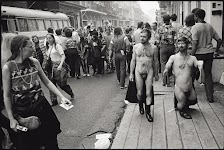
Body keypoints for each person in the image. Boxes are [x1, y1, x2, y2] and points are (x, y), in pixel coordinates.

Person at [2, 35, 72, 149]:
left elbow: (47, 82)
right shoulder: (8, 68)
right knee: (30, 144)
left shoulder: (34, 62)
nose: (34, 49)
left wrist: (61, 96)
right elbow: (7, 96)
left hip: (42, 107)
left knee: (51, 140)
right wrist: (11, 119)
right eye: (30, 46)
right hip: (23, 113)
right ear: (21, 48)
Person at [191, 9, 222, 103]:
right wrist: (216, 50)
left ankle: (190, 95)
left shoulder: (195, 27)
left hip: (198, 54)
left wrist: (192, 55)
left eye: (194, 16)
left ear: (196, 16)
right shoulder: (209, 26)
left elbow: (195, 43)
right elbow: (219, 40)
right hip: (209, 53)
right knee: (208, 74)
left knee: (192, 74)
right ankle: (210, 97)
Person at [163, 37, 199, 119]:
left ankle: (182, 103)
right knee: (181, 103)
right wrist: (166, 69)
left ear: (187, 45)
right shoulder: (174, 57)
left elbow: (197, 65)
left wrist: (199, 66)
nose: (180, 45)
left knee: (193, 99)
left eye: (182, 43)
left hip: (189, 85)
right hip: (179, 85)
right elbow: (168, 64)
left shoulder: (192, 58)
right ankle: (182, 110)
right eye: (179, 44)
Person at [129, 28, 159, 122]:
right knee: (139, 93)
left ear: (149, 37)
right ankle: (140, 105)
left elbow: (156, 61)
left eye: (144, 37)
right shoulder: (136, 47)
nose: (142, 38)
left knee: (148, 92)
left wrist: (156, 73)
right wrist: (131, 73)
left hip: (149, 70)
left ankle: (148, 112)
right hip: (138, 71)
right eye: (141, 36)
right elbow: (133, 60)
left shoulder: (154, 48)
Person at [45, 33, 74, 106]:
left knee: (62, 83)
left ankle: (70, 92)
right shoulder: (48, 47)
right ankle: (54, 101)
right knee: (51, 83)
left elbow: (63, 56)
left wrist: (60, 65)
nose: (49, 40)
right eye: (47, 38)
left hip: (58, 66)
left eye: (50, 38)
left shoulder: (57, 46)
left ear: (53, 38)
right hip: (51, 67)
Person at [158, 14, 176, 87]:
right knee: (170, 63)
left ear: (163, 20)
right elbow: (175, 38)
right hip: (171, 47)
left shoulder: (160, 28)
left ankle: (164, 81)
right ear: (170, 20)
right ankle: (169, 81)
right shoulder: (173, 29)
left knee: (163, 64)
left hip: (163, 47)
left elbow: (158, 38)